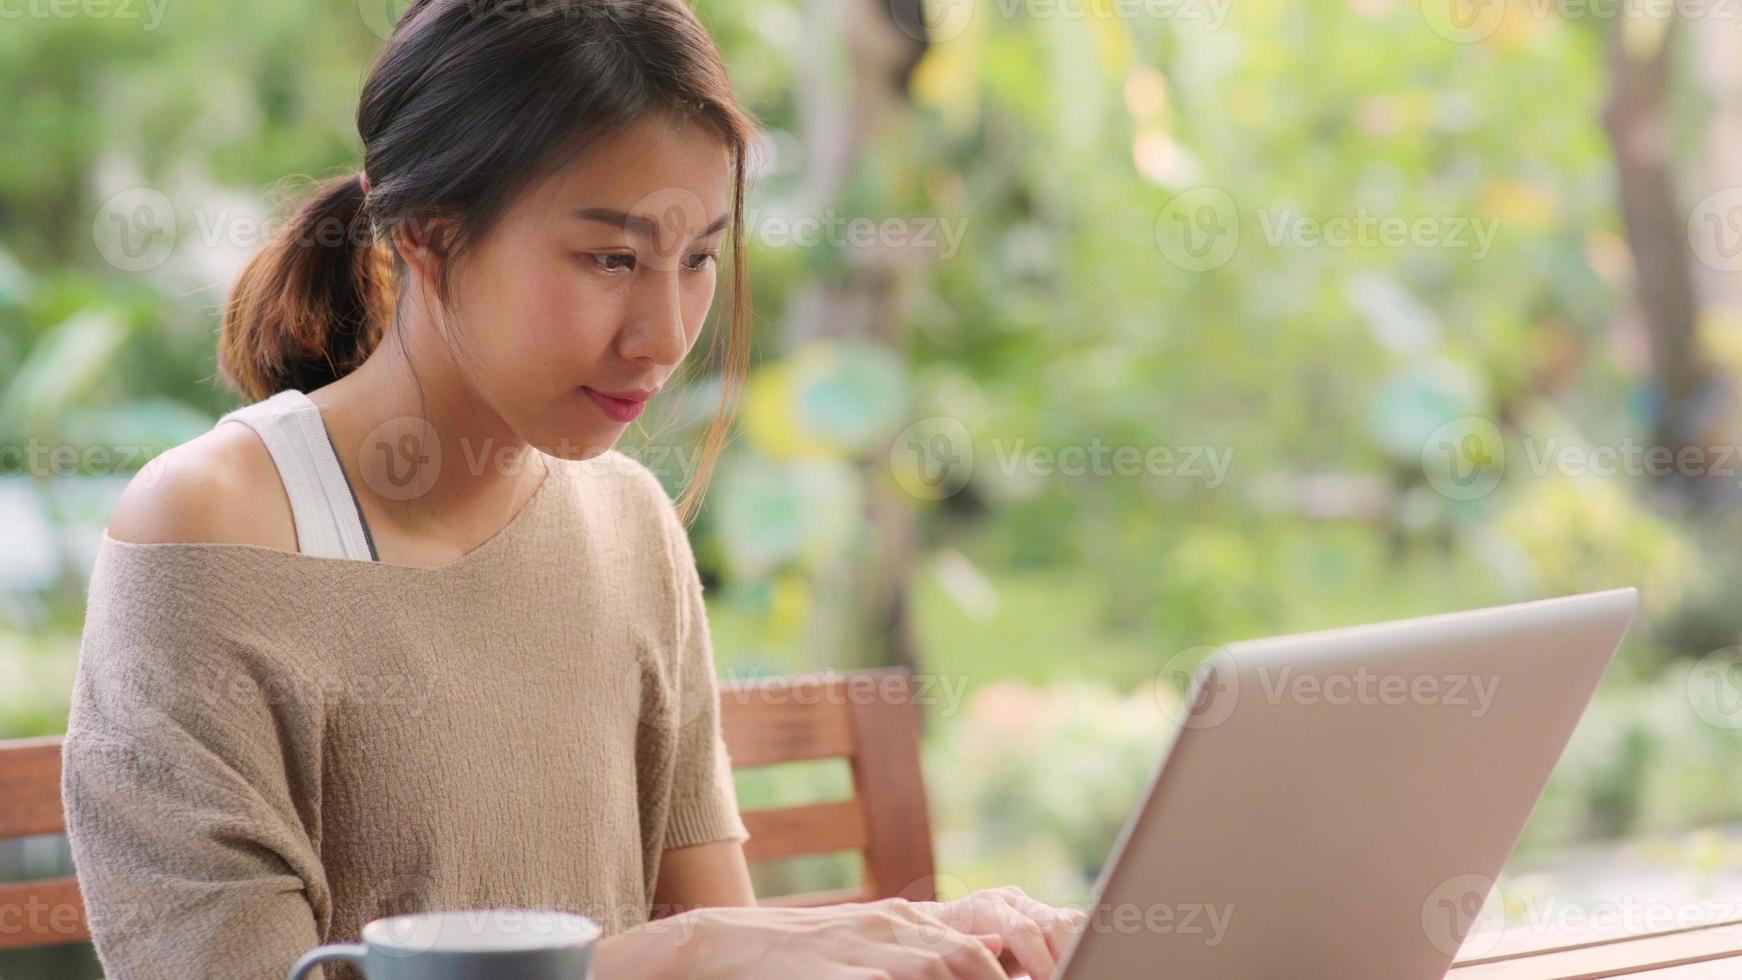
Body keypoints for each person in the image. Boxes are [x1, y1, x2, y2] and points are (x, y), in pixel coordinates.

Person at [59, 1, 1086, 977]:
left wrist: (944, 934)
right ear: (425, 233)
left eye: (696, 260)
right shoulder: (212, 528)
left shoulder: (627, 524)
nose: (666, 334)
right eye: (610, 256)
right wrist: (688, 951)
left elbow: (726, 941)